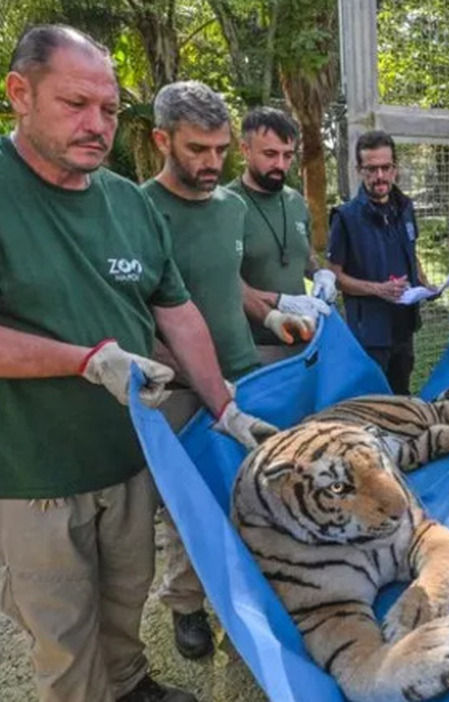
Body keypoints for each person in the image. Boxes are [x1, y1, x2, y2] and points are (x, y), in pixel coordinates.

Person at [0, 25, 275, 702]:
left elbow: (178, 315)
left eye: (109, 110)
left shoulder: (126, 203)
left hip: (126, 454)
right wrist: (84, 361)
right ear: (19, 93)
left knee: (125, 602)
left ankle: (130, 686)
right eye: (75, 104)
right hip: (26, 468)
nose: (96, 125)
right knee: (62, 632)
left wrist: (224, 406)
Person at [139, 80, 311, 661]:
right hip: (181, 390)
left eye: (219, 150)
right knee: (190, 506)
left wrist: (274, 312)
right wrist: (186, 375)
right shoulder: (138, 211)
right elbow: (139, 311)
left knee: (259, 492)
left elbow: (227, 284)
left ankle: (258, 599)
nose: (212, 163)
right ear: (162, 139)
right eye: (196, 150)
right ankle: (186, 606)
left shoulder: (232, 208)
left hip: (245, 373)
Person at [327, 129, 435, 395]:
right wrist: (378, 289)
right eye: (371, 169)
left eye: (386, 168)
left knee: (401, 395)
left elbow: (411, 251)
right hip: (369, 334)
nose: (380, 176)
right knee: (372, 402)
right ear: (358, 170)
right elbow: (334, 276)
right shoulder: (345, 217)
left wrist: (425, 283)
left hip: (403, 327)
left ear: (395, 168)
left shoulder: (406, 208)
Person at [228, 106, 337, 364]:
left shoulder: (296, 201)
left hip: (304, 342)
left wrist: (319, 273)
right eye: (270, 154)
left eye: (288, 155)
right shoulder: (226, 205)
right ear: (245, 150)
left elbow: (304, 253)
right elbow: (222, 281)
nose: (280, 164)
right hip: (254, 348)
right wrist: (279, 302)